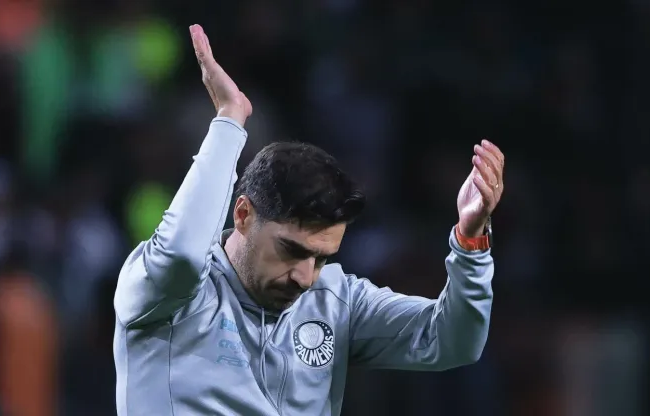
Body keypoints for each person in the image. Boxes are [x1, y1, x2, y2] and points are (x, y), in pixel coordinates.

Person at [113, 24, 505, 416]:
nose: (305, 277)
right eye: (292, 250)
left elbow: (454, 342)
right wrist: (230, 121)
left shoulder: (335, 302)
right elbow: (181, 253)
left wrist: (470, 245)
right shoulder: (163, 294)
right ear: (244, 214)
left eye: (321, 258)